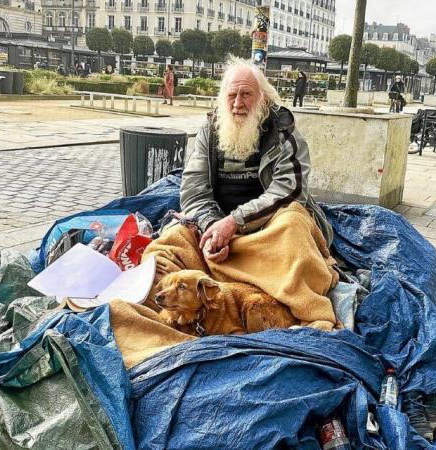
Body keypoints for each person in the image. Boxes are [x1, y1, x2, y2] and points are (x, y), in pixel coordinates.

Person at [143, 57, 339, 332]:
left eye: (246, 94)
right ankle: (177, 314)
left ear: (263, 98)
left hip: (265, 235)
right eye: (231, 95)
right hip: (217, 232)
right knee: (163, 248)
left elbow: (290, 190)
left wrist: (235, 222)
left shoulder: (284, 132)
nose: (238, 103)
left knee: (294, 222)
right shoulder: (210, 131)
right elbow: (194, 188)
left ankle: (309, 314)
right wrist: (212, 226)